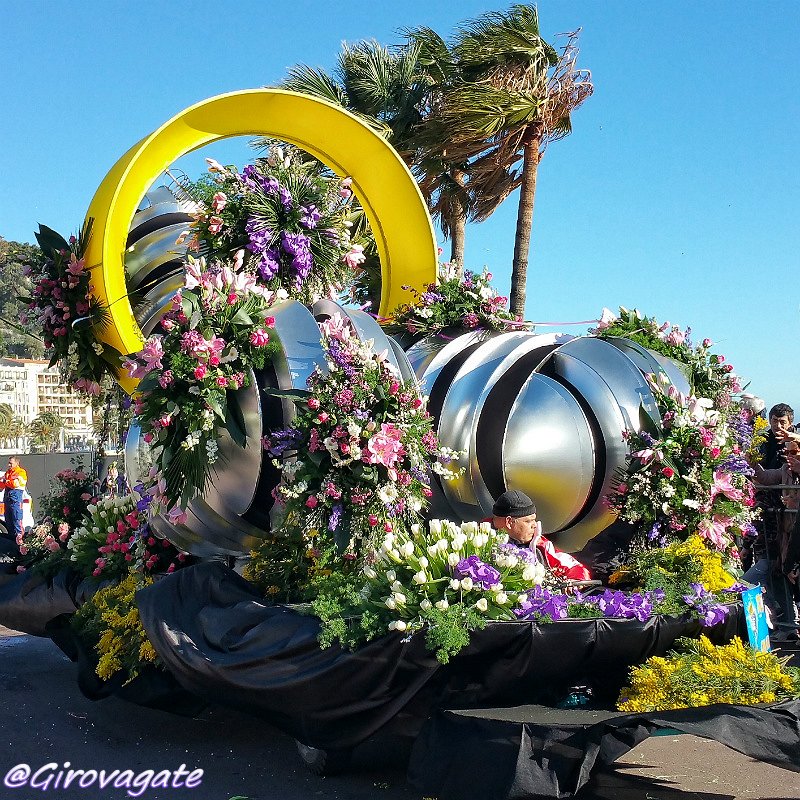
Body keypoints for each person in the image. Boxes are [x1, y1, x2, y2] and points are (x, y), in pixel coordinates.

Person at [490, 490, 592, 581]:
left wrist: (575, 580)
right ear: (509, 522)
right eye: (528, 521)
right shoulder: (481, 545)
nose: (534, 525)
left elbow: (573, 566)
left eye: (534, 520)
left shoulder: (539, 544)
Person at [3, 456, 28, 541]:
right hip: (8, 500)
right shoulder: (8, 473)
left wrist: (6, 481)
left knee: (17, 522)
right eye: (9, 463)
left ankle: (20, 543)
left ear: (17, 463)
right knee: (9, 523)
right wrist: (4, 482)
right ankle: (12, 542)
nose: (8, 465)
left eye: (11, 463)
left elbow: (15, 484)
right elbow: (2, 485)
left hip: (16, 501)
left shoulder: (21, 472)